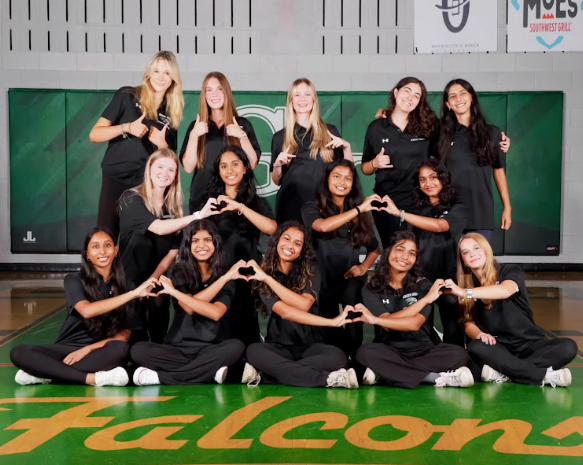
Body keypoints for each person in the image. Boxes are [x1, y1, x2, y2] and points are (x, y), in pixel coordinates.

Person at [10, 227, 157, 386]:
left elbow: (123, 336)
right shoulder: (73, 280)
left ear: (116, 250)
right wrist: (132, 294)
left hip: (99, 351)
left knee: (120, 349)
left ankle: (47, 373)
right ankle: (91, 378)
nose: (102, 251)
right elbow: (87, 311)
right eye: (95, 246)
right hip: (68, 349)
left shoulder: (127, 285)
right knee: (19, 352)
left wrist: (87, 349)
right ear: (87, 254)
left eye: (107, 245)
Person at [443, 232, 577, 387]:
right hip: (497, 347)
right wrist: (480, 334)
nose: (472, 254)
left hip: (529, 344)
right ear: (464, 261)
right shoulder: (466, 285)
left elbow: (505, 290)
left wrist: (466, 294)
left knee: (568, 347)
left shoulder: (510, 270)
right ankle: (538, 375)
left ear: (486, 250)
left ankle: (504, 372)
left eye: (476, 248)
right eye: (466, 252)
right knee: (475, 347)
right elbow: (468, 323)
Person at [118, 148, 219, 343]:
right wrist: (199, 215)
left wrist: (153, 281)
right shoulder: (131, 198)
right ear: (149, 169)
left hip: (157, 278)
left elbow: (173, 251)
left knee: (159, 328)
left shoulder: (173, 207)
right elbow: (159, 228)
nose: (165, 173)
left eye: (171, 170)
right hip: (128, 279)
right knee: (133, 336)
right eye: (160, 167)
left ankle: (157, 363)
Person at [243, 222, 359, 389]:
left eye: (297, 244)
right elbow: (286, 312)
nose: (290, 246)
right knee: (254, 351)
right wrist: (267, 277)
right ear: (276, 241)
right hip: (279, 346)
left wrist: (267, 279)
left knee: (337, 356)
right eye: (287, 239)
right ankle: (329, 379)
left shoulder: (310, 270)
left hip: (311, 346)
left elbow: (304, 304)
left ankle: (269, 375)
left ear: (301, 251)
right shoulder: (262, 276)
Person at [130, 220, 246, 385]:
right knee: (138, 350)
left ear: (215, 243)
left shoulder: (228, 275)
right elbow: (188, 307)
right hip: (178, 348)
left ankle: (160, 378)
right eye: (195, 241)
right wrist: (223, 280)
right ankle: (209, 372)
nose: (202, 245)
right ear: (188, 245)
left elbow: (215, 312)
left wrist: (224, 278)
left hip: (210, 349)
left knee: (236, 346)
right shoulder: (178, 271)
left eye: (207, 240)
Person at [355, 230, 473, 389]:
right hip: (389, 349)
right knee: (365, 352)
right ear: (388, 251)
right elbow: (386, 324)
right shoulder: (371, 288)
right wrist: (424, 301)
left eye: (412, 253)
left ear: (416, 259)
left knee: (459, 354)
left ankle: (386, 373)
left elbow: (414, 324)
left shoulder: (424, 285)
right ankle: (435, 378)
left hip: (423, 350)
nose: (404, 257)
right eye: (400, 249)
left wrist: (376, 319)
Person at [90, 51, 184, 238]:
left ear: (173, 78)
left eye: (167, 73)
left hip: (143, 185)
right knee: (106, 236)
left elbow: (171, 161)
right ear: (149, 73)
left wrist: (162, 144)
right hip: (115, 177)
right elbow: (94, 134)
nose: (161, 77)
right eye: (156, 71)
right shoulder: (127, 95)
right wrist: (127, 128)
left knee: (137, 240)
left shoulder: (171, 114)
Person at [379, 159, 468, 346]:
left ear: (443, 178)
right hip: (419, 277)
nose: (428, 183)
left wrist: (399, 214)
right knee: (420, 325)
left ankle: (455, 358)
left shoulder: (458, 207)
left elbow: (440, 226)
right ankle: (423, 356)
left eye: (433, 177)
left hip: (448, 278)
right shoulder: (417, 209)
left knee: (452, 319)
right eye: (422, 179)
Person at [301, 159, 380, 356]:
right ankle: (339, 356)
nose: (342, 182)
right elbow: (322, 226)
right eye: (336, 176)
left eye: (348, 178)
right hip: (320, 278)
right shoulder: (312, 206)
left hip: (347, 278)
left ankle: (356, 355)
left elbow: (375, 249)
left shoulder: (358, 214)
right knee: (328, 334)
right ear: (327, 179)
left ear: (353, 184)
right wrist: (359, 209)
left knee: (352, 297)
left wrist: (363, 268)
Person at [203, 145, 277, 345]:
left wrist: (240, 207)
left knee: (246, 329)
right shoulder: (210, 203)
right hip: (217, 272)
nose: (230, 170)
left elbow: (272, 228)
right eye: (224, 166)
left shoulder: (256, 203)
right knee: (221, 329)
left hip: (246, 272)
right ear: (218, 171)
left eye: (235, 164)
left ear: (245, 168)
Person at [361, 77, 439, 247]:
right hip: (386, 203)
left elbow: (450, 148)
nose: (410, 98)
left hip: (420, 203)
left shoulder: (428, 128)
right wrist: (374, 163)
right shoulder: (376, 128)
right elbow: (365, 168)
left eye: (416, 95)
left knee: (418, 254)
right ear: (396, 92)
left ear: (420, 102)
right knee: (394, 254)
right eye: (407, 91)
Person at [271, 78, 353, 224]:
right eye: (297, 95)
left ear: (314, 99)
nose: (302, 99)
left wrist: (347, 148)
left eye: (307, 94)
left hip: (323, 205)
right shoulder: (280, 137)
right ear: (291, 101)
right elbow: (277, 181)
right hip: (290, 206)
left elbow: (348, 172)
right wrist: (277, 165)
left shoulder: (330, 132)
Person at [438, 79, 512, 241]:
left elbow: (499, 172)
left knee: (477, 264)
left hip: (481, 212)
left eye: (463, 93)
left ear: (471, 98)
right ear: (448, 104)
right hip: (449, 212)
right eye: (453, 96)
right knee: (452, 265)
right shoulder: (441, 135)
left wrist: (507, 207)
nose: (458, 99)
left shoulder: (492, 133)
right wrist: (387, 116)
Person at [180, 71, 261, 214]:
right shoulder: (197, 126)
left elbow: (252, 163)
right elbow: (188, 167)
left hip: (236, 200)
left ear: (226, 92)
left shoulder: (242, 124)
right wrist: (194, 135)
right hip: (202, 201)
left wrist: (242, 136)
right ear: (204, 95)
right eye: (209, 90)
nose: (214, 94)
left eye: (219, 89)